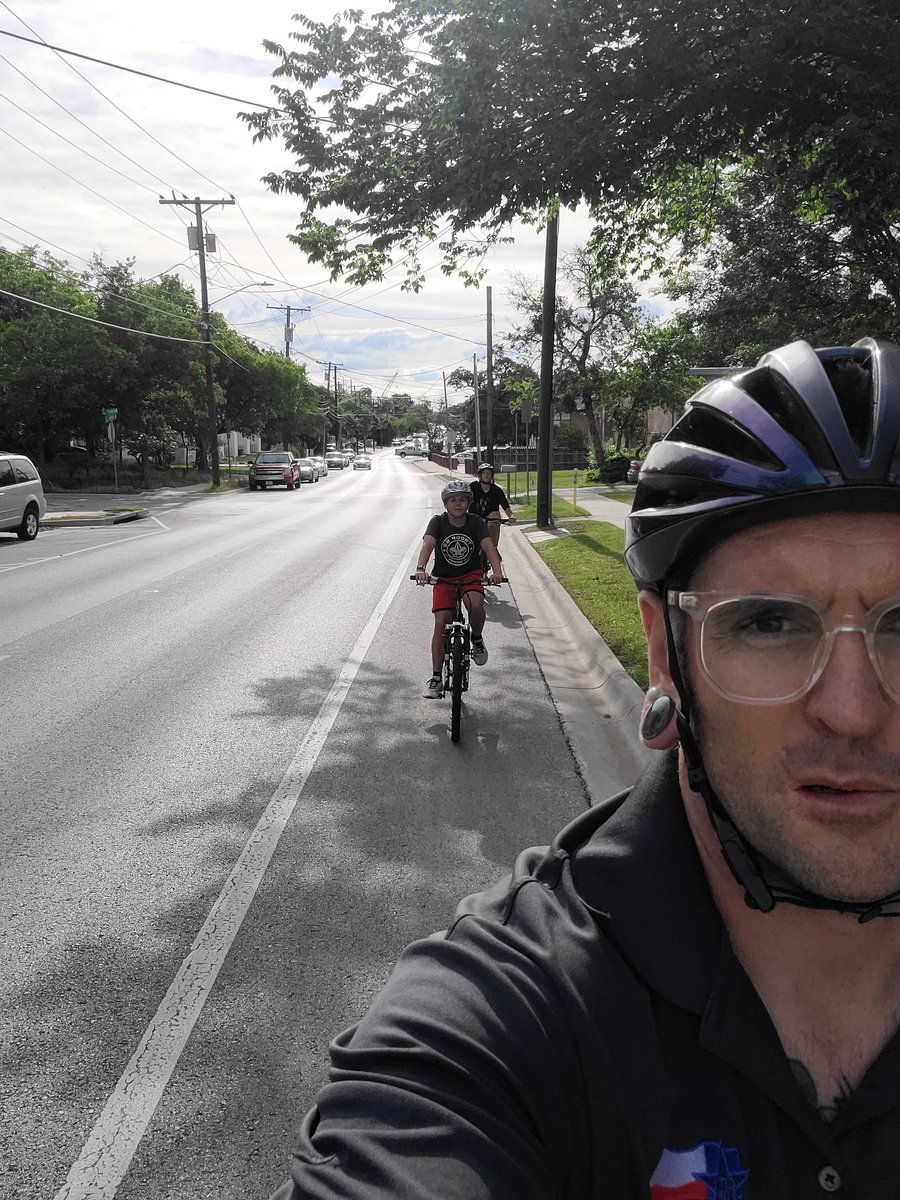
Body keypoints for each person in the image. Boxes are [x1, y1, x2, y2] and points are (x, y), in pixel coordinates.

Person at [271, 337, 900, 1198]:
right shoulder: (504, 1019)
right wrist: (439, 572)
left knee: (477, 602)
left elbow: (489, 551)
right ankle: (439, 665)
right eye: (768, 623)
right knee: (448, 613)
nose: (854, 710)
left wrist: (491, 565)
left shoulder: (481, 513)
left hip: (475, 578)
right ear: (663, 652)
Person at [414, 479, 503, 699]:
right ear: (446, 503)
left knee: (475, 604)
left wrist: (496, 571)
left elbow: (488, 546)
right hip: (444, 577)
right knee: (441, 622)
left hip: (470, 574)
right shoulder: (437, 522)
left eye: (462, 500)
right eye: (453, 500)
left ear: (468, 503)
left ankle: (477, 639)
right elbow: (428, 544)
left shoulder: (475, 523)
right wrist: (420, 568)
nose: (458, 504)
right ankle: (436, 677)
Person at [469, 462, 515, 553]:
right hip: (474, 518)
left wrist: (511, 516)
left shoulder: (497, 490)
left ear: (492, 476)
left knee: (494, 523)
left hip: (491, 519)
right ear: (480, 475)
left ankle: (494, 548)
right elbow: (465, 501)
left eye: (489, 473)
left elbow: (505, 506)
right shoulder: (473, 487)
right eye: (484, 473)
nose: (486, 475)